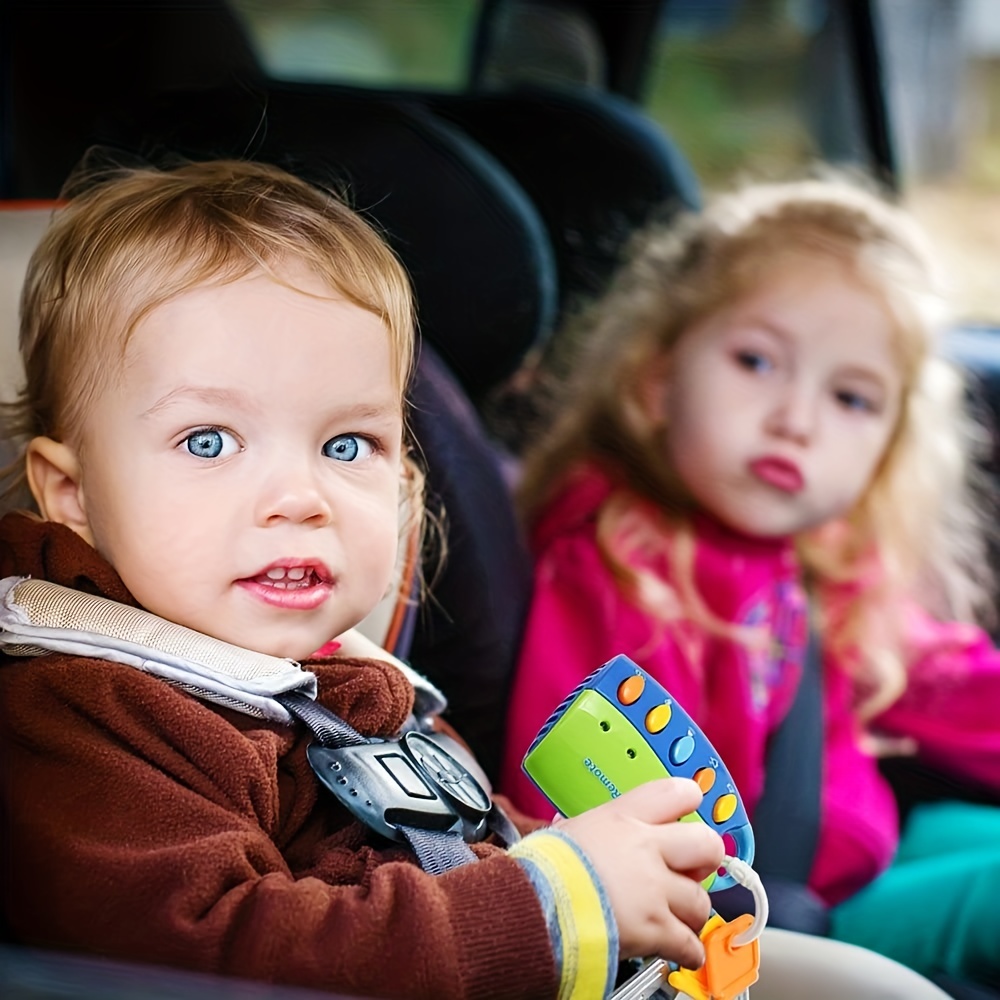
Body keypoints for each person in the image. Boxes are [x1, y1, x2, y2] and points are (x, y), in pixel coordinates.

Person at [0, 158, 952, 1000]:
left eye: (347, 443)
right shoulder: (87, 713)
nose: (301, 496)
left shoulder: (352, 684)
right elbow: (211, 955)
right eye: (208, 442)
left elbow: (445, 853)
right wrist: (553, 897)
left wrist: (574, 856)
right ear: (71, 495)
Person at [500, 176, 1000, 991]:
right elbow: (572, 798)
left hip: (866, 856)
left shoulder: (824, 556)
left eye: (850, 397)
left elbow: (961, 690)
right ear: (656, 380)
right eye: (757, 361)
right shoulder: (623, 563)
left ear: (889, 444)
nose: (795, 419)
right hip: (776, 922)